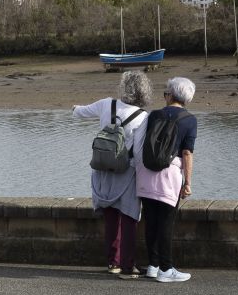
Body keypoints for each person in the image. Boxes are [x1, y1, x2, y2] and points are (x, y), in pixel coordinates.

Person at [72, 70, 152, 279]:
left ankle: (112, 262)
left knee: (110, 217)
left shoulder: (106, 104)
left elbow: (79, 112)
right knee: (128, 218)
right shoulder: (144, 117)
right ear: (144, 92)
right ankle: (128, 266)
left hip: (102, 169)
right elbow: (141, 149)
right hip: (127, 171)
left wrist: (74, 107)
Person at [133, 76, 198, 283]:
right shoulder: (189, 120)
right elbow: (186, 153)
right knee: (166, 224)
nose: (165, 96)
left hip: (146, 174)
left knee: (150, 222)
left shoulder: (154, 115)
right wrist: (187, 183)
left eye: (165, 93)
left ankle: (153, 266)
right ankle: (166, 269)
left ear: (171, 95)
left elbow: (141, 141)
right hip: (168, 177)